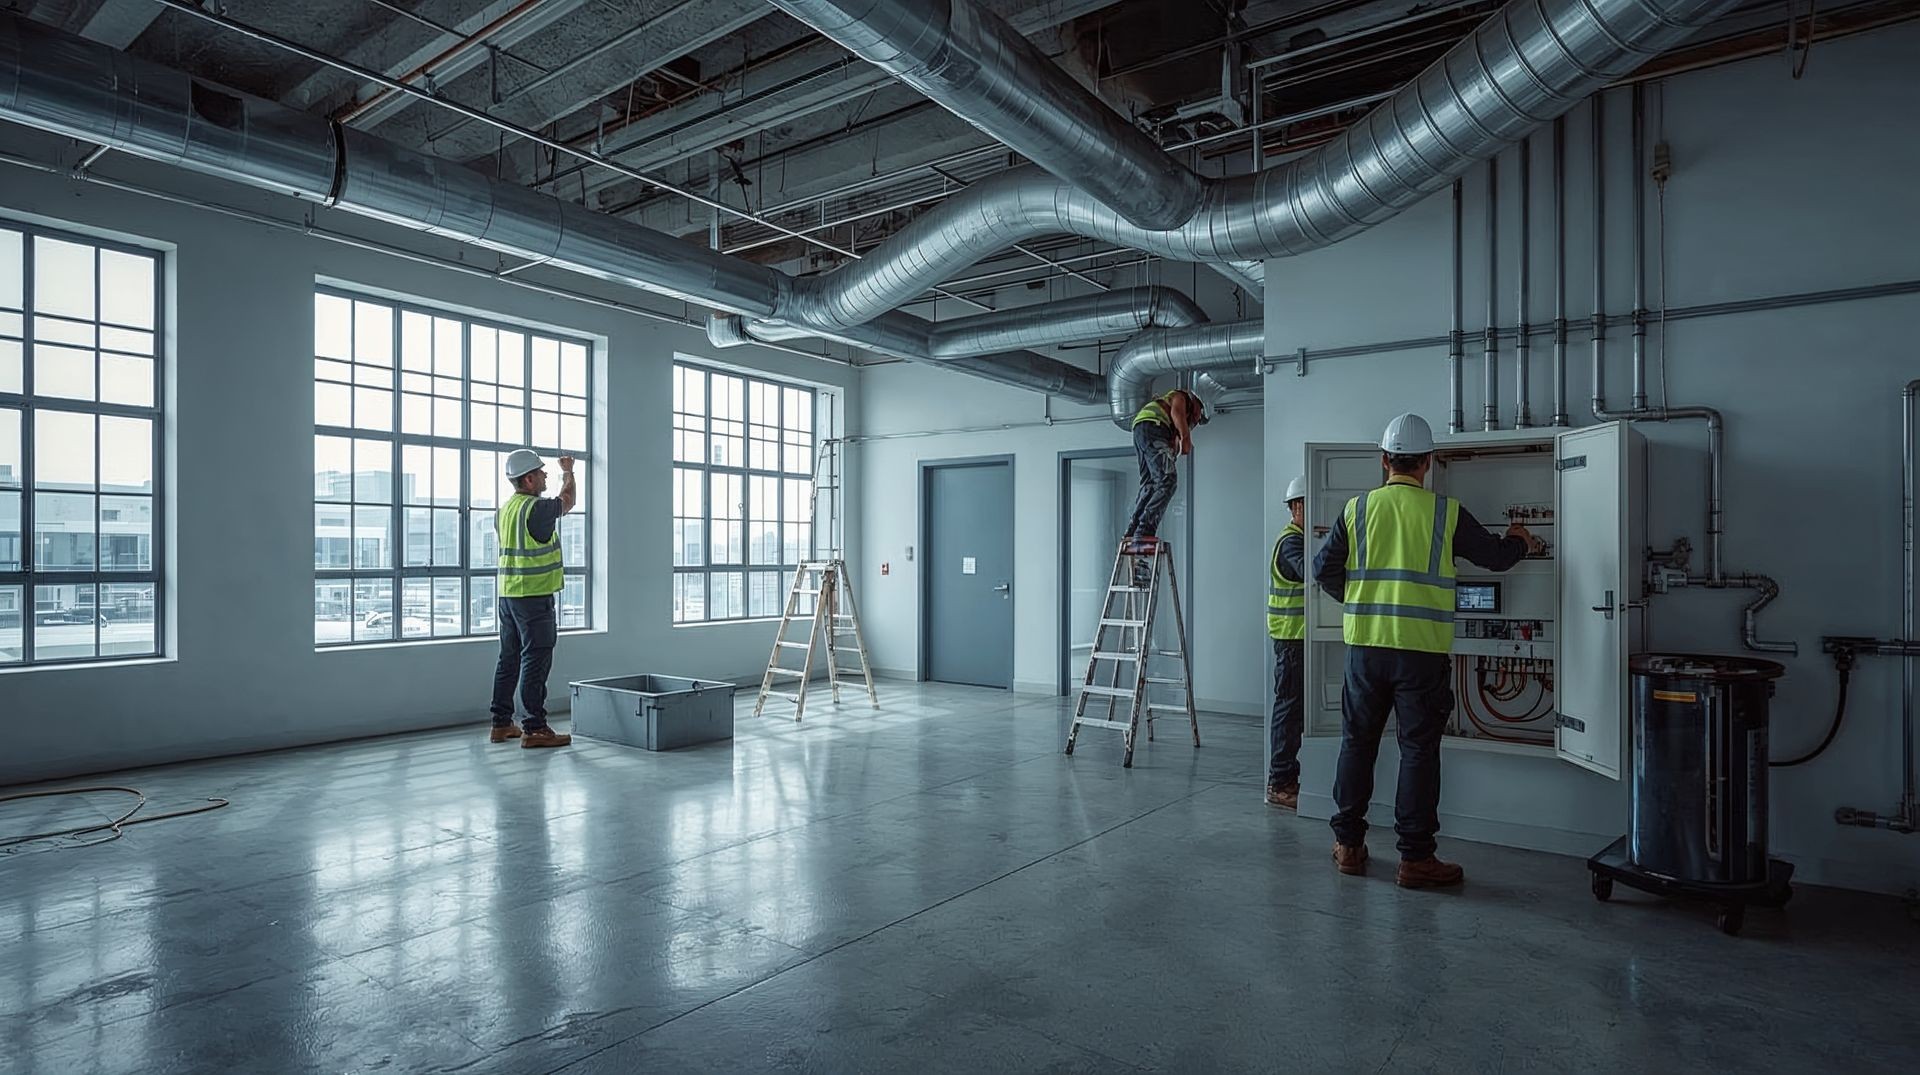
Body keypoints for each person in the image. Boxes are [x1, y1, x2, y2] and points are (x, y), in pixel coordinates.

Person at [1311, 413, 1542, 887]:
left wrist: (1357, 599)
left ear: (1384, 461)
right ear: (1428, 464)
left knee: (1357, 744)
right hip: (1420, 654)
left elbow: (1322, 569)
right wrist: (1519, 540)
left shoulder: (1356, 511)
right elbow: (1496, 558)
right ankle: (1415, 859)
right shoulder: (1444, 512)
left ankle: (1349, 847)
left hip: (1365, 651)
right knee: (1418, 751)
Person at [489, 449, 577, 749]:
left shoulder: (505, 510)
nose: (545, 475)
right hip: (534, 596)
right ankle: (535, 728)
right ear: (528, 479)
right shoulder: (535, 509)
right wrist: (568, 471)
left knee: (509, 658)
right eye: (541, 472)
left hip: (508, 594)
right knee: (535, 660)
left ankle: (501, 724)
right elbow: (567, 502)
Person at [1121, 388, 1206, 583]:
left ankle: (1133, 530)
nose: (1197, 420)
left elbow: (1173, 447)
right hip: (1152, 427)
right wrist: (1186, 438)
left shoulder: (1172, 422)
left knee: (1151, 484)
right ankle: (1144, 531)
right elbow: (1177, 413)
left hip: (1143, 429)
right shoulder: (1180, 397)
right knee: (1167, 481)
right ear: (1197, 405)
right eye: (1199, 415)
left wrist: (1176, 443)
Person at [1266, 475, 1309, 808]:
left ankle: (1286, 779)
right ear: (1296, 507)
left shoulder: (1301, 538)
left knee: (1294, 711)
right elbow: (1309, 570)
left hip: (1298, 639)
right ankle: (1281, 784)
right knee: (1289, 711)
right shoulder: (1292, 543)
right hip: (1292, 640)